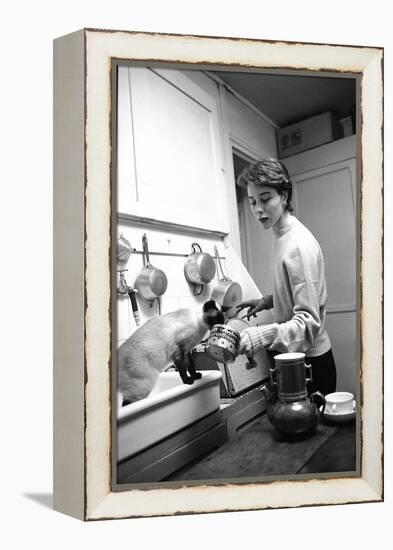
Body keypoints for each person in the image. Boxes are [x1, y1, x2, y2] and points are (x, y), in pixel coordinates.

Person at [236, 158, 336, 396]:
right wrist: (270, 300)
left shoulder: (297, 245)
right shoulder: (281, 236)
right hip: (296, 359)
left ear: (284, 195)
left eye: (265, 198)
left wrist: (261, 335)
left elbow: (308, 323)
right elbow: (299, 289)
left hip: (311, 364)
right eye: (252, 201)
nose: (258, 209)